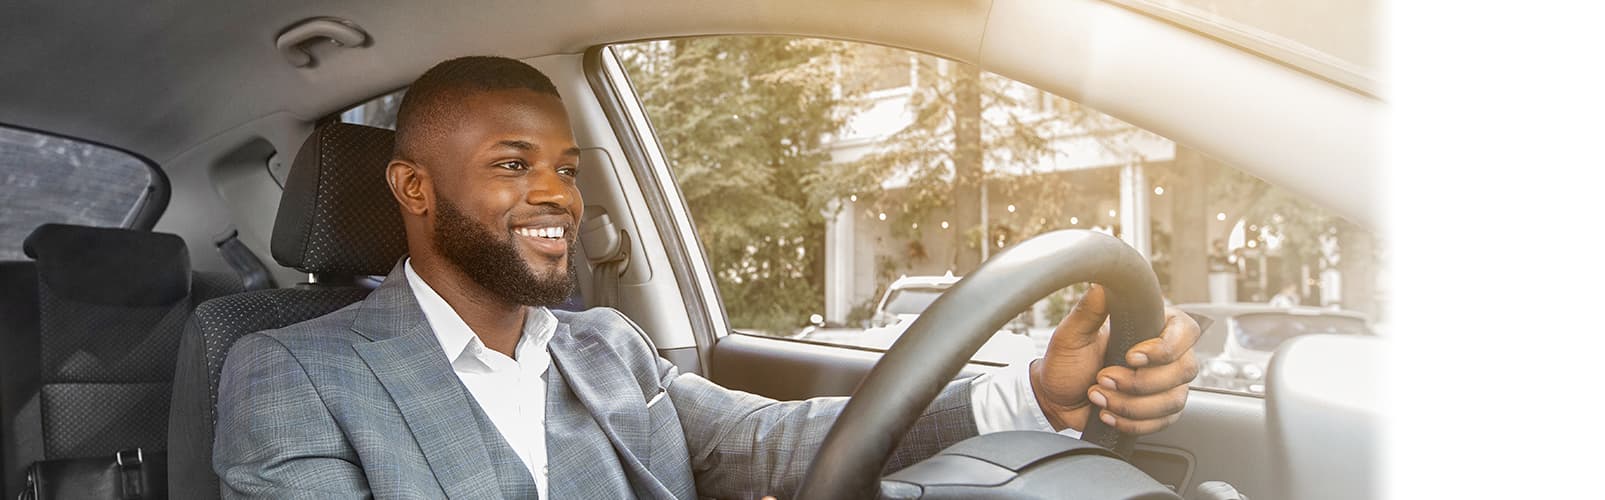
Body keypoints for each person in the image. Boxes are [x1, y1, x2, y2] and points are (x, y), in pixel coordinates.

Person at [212, 56, 1201, 499]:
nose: (557, 194)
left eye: (566, 167)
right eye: (513, 164)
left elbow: (768, 440)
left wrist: (1027, 392)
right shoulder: (288, 371)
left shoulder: (605, 344)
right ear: (413, 187)